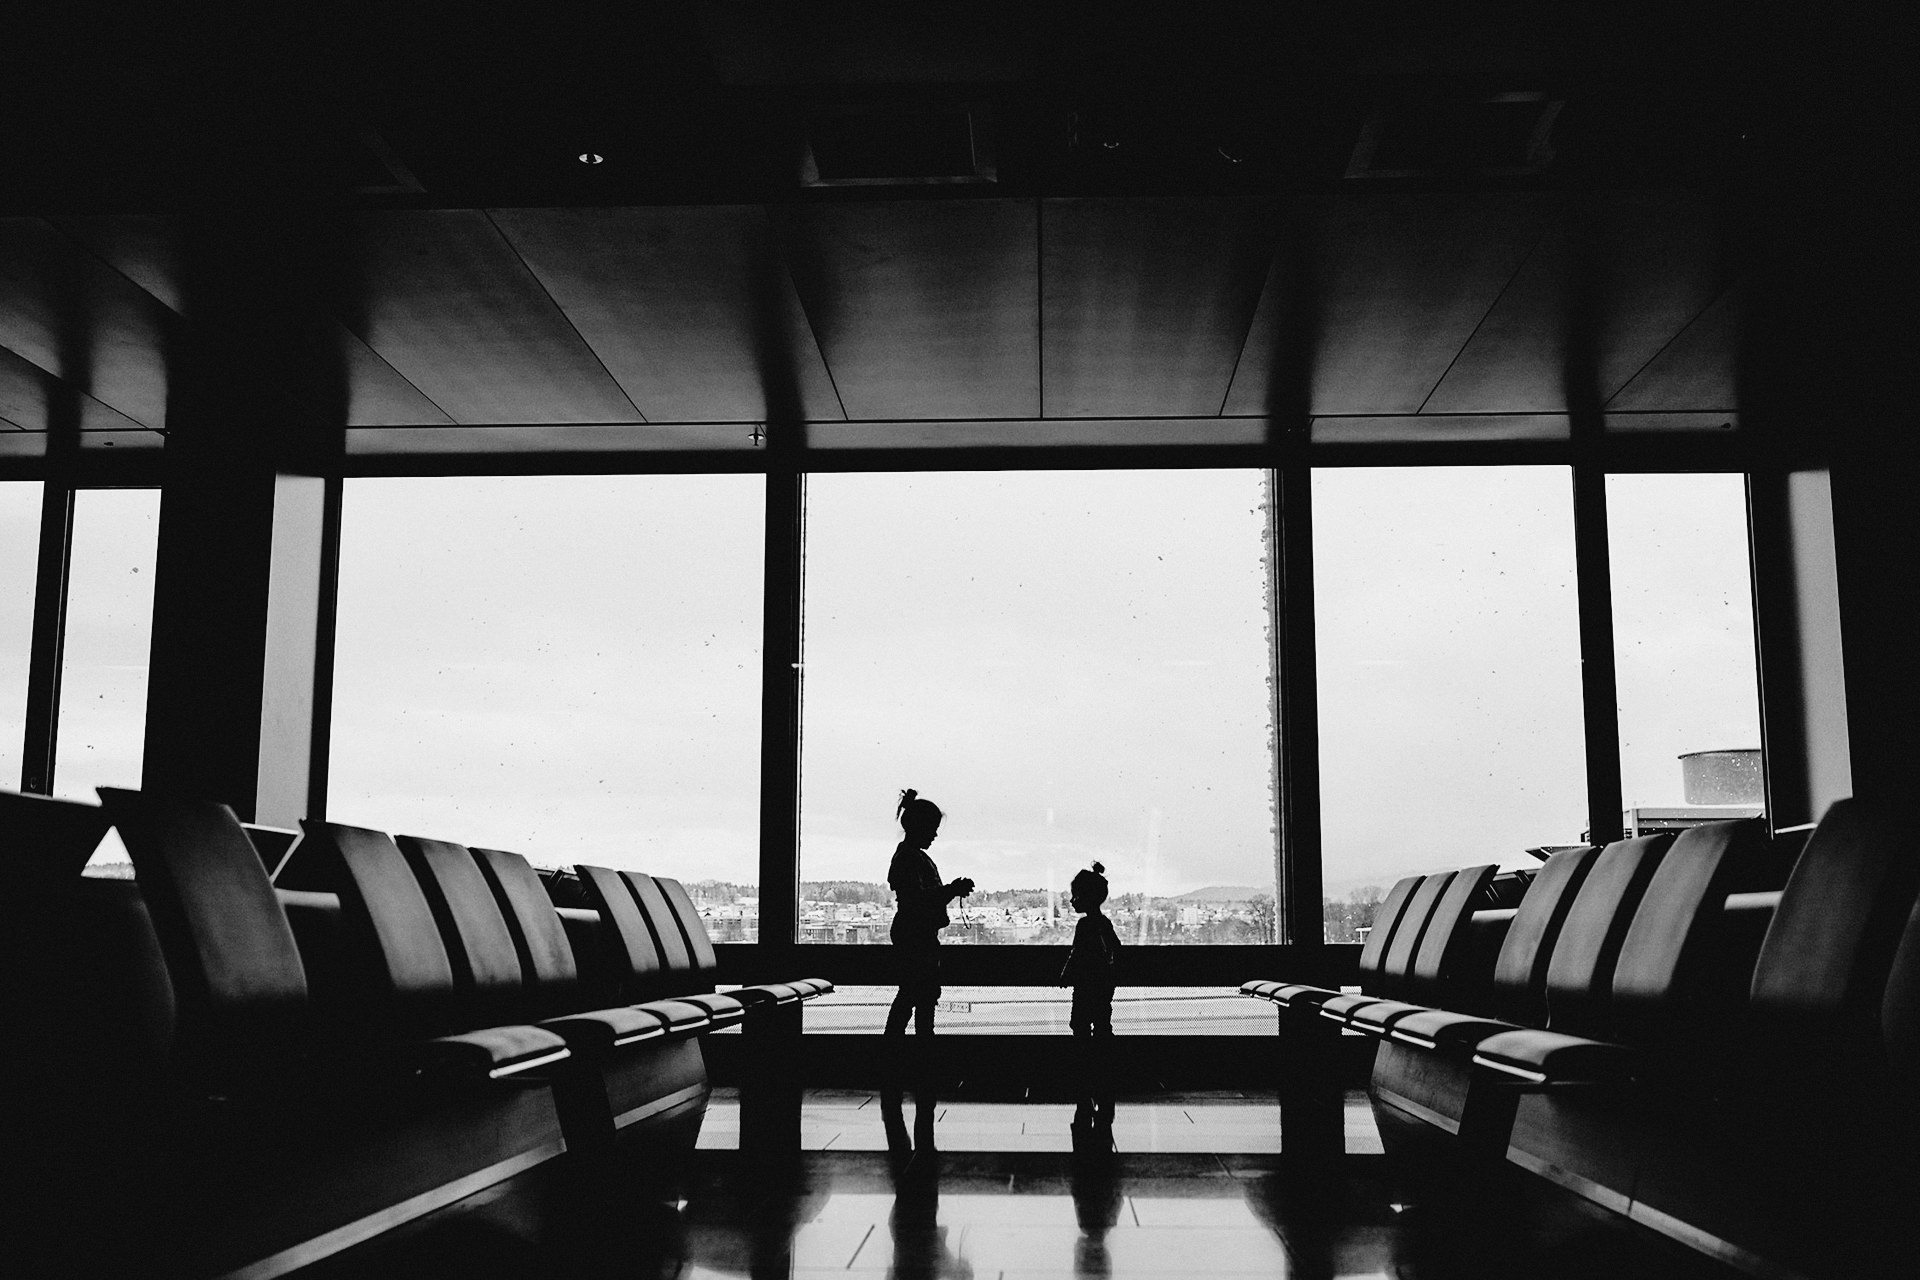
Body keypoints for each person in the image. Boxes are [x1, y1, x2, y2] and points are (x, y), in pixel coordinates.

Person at [885, 789, 973, 1037]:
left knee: (915, 992)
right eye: (932, 828)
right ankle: (921, 1039)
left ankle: (901, 1041)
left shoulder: (907, 857)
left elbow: (917, 899)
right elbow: (919, 901)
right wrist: (952, 890)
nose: (935, 834)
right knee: (919, 993)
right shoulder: (912, 859)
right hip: (918, 937)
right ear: (920, 827)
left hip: (913, 935)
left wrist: (950, 891)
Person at [1061, 862, 1119, 1038]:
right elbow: (1115, 948)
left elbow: (1077, 953)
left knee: (1080, 1022)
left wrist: (1066, 972)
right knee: (1102, 1021)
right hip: (1103, 982)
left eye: (1075, 896)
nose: (1072, 901)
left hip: (1085, 983)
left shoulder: (1084, 924)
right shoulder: (1104, 923)